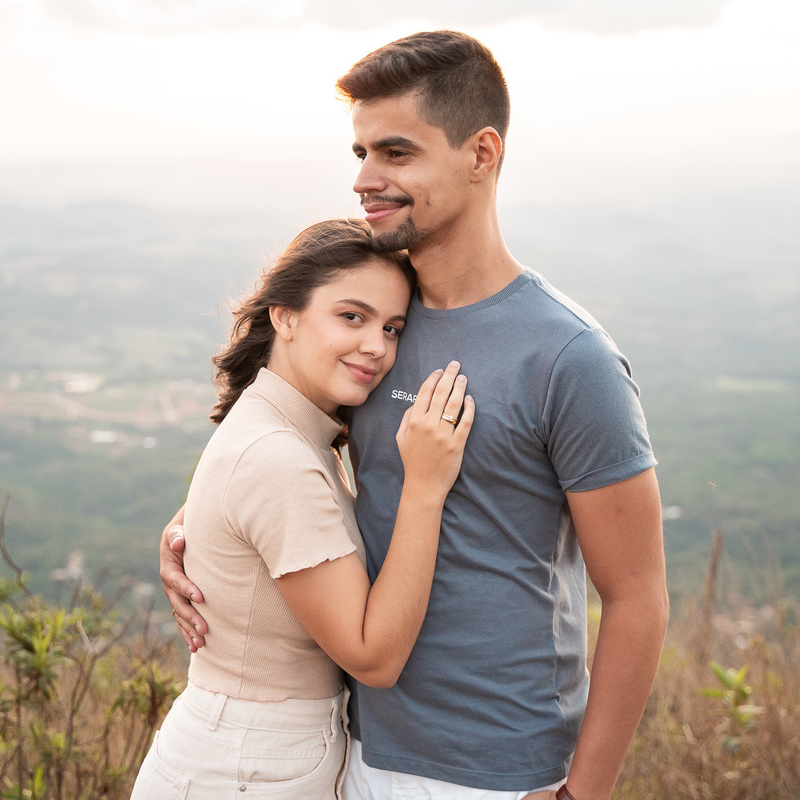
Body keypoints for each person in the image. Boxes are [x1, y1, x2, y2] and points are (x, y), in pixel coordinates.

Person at [163, 31, 668, 800]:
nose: (366, 179)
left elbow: (637, 597)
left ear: (481, 153)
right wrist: (198, 530)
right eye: (360, 153)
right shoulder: (374, 327)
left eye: (395, 153)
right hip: (355, 751)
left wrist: (585, 792)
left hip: (501, 774)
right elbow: (284, 460)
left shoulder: (570, 358)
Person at [131, 218, 474, 799]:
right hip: (246, 767)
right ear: (284, 315)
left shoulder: (283, 431)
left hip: (248, 756)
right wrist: (425, 486)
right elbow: (373, 658)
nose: (377, 346)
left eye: (393, 328)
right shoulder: (279, 457)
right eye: (352, 316)